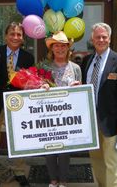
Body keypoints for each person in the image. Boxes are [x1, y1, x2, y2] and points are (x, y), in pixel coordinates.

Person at [81, 22, 117, 187]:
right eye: (98, 37)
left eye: (104, 37)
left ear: (110, 39)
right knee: (96, 159)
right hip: (91, 120)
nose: (101, 40)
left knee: (111, 162)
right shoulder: (87, 61)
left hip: (111, 122)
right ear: (92, 39)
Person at [0, 22, 34, 187]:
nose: (15, 37)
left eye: (19, 35)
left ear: (22, 38)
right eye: (12, 34)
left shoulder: (28, 58)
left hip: (18, 104)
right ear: (6, 36)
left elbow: (30, 82)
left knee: (19, 140)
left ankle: (19, 171)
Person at [44, 31, 82, 187]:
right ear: (52, 49)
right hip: (48, 114)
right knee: (49, 148)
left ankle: (63, 181)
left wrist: (78, 87)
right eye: (56, 46)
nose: (60, 49)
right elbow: (37, 87)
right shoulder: (45, 67)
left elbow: (82, 92)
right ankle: (53, 180)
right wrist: (42, 86)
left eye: (63, 46)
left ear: (68, 48)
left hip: (68, 115)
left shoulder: (76, 68)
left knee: (65, 149)